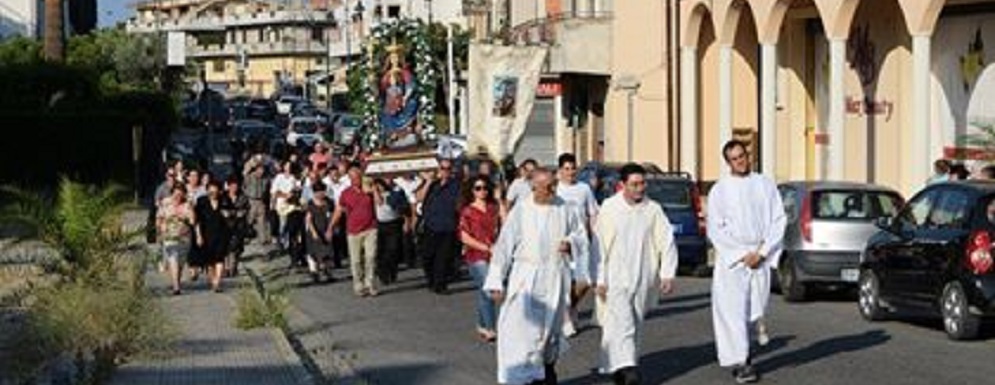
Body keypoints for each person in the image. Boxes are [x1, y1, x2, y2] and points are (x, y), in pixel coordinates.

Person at [483, 169, 589, 385]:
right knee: (522, 331)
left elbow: (581, 235)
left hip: (555, 277)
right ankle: (525, 377)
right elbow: (504, 247)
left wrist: (570, 243)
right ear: (534, 187)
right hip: (526, 278)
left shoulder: (566, 208)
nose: (553, 190)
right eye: (547, 186)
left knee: (549, 333)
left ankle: (547, 370)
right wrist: (496, 280)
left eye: (554, 185)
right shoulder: (521, 211)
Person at [707, 140, 786, 384]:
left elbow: (778, 219)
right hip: (734, 259)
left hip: (759, 254)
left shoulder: (765, 184)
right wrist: (741, 254)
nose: (740, 161)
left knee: (755, 307)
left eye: (742, 156)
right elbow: (715, 229)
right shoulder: (719, 190)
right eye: (734, 158)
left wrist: (762, 252)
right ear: (727, 162)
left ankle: (747, 348)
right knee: (732, 311)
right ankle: (741, 362)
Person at [594, 163, 678, 384]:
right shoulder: (610, 208)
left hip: (643, 275)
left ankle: (619, 367)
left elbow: (666, 241)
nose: (640, 188)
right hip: (615, 277)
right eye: (635, 184)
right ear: (623, 185)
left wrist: (667, 273)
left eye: (643, 183)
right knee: (622, 322)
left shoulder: (653, 209)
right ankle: (629, 370)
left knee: (634, 321)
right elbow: (599, 245)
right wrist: (600, 278)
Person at [555, 153, 600, 336]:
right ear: (560, 171)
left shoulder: (584, 189)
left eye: (573, 168)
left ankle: (570, 307)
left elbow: (593, 213)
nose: (570, 172)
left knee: (584, 281)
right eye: (566, 169)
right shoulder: (556, 189)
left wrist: (595, 236)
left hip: (581, 242)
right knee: (564, 281)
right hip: (562, 241)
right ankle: (565, 319)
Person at [459, 175, 503, 343]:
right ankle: (491, 328)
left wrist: (500, 201)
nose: (482, 191)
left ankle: (481, 324)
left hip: (494, 255)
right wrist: (485, 247)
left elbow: (506, 222)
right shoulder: (468, 211)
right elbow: (464, 236)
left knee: (483, 292)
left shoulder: (493, 207)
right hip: (476, 255)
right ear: (472, 191)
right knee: (489, 290)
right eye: (478, 188)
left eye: (485, 188)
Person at [330, 163, 379, 297]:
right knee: (356, 260)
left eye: (357, 177)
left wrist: (374, 190)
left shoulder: (368, 191)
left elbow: (379, 203)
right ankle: (358, 284)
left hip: (370, 227)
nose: (355, 180)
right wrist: (330, 227)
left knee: (370, 257)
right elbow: (338, 211)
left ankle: (370, 283)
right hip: (353, 230)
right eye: (352, 178)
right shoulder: (345, 193)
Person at [416, 158, 462, 294]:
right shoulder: (430, 184)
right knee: (428, 257)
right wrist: (428, 181)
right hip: (431, 226)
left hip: (448, 226)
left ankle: (440, 285)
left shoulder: (456, 185)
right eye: (442, 168)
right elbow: (418, 198)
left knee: (442, 257)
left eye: (448, 169)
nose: (445, 171)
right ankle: (431, 280)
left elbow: (460, 203)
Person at [193, 181, 231, 293]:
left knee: (220, 258)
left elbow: (231, 213)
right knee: (209, 261)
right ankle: (212, 279)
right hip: (206, 234)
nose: (213, 193)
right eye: (210, 191)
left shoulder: (224, 200)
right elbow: (197, 220)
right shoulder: (201, 202)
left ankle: (217, 282)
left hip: (221, 233)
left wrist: (228, 215)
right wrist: (198, 235)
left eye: (215, 191)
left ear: (219, 191)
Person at [156, 184, 194, 295]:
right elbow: (159, 218)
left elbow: (192, 220)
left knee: (180, 262)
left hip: (184, 238)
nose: (177, 197)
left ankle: (176, 281)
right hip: (169, 237)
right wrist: (159, 232)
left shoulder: (187, 205)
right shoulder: (165, 204)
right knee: (173, 259)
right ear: (172, 193)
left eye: (180, 194)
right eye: (176, 194)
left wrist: (186, 217)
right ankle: (176, 287)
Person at [373, 178, 405, 285]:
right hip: (380, 225)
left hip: (393, 224)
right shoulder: (373, 195)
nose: (379, 187)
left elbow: (385, 202)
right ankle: (383, 274)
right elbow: (378, 202)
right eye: (377, 185)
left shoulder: (394, 193)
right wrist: (375, 190)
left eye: (380, 185)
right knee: (381, 251)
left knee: (393, 249)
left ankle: (392, 270)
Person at [305, 182, 336, 283]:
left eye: (322, 191)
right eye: (318, 192)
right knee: (314, 252)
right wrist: (314, 232)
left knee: (327, 251)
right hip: (315, 230)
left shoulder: (329, 202)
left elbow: (332, 215)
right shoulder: (311, 203)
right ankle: (314, 272)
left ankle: (328, 272)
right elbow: (308, 219)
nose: (321, 194)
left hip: (326, 230)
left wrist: (331, 229)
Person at [221, 176, 251, 278]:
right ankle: (226, 268)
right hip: (225, 226)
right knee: (225, 248)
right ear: (228, 186)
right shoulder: (223, 197)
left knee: (236, 248)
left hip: (239, 226)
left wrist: (241, 213)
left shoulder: (242, 197)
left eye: (236, 186)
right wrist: (224, 213)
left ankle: (234, 266)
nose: (234, 188)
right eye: (232, 186)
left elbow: (246, 209)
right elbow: (219, 209)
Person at [243, 160, 272, 245]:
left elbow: (266, 190)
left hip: (260, 201)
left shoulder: (265, 179)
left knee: (262, 221)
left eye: (262, 170)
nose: (261, 172)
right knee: (249, 220)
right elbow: (244, 186)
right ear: (256, 169)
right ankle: (245, 237)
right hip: (251, 200)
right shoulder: (249, 177)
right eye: (259, 170)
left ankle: (262, 240)